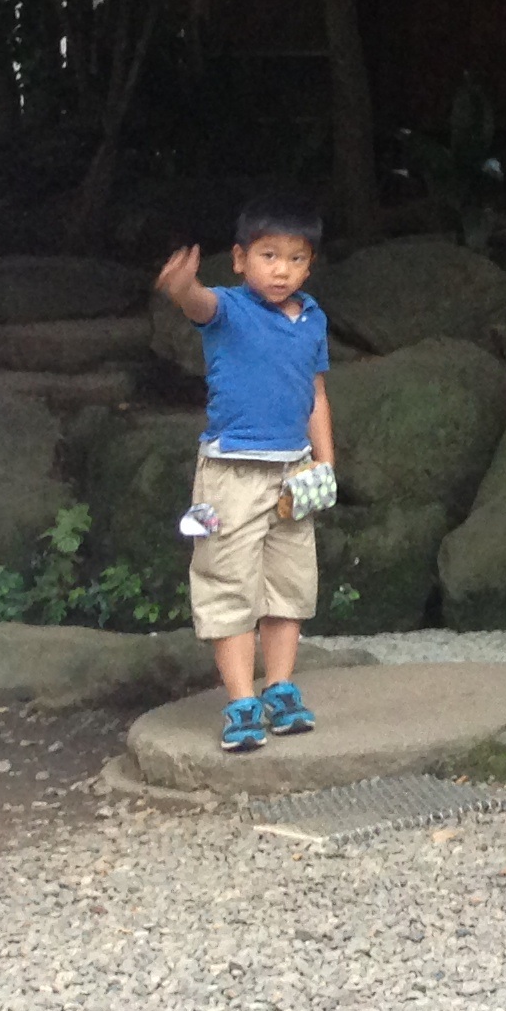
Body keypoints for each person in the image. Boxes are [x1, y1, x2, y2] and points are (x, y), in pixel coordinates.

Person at [156, 200, 337, 753]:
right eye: (268, 255)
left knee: (289, 583)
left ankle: (279, 689)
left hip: (294, 471)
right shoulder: (229, 309)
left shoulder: (312, 317)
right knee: (228, 581)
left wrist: (325, 463)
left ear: (309, 265)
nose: (281, 269)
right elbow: (199, 303)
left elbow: (316, 394)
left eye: (295, 258)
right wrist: (182, 289)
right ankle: (240, 700)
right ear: (239, 259)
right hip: (231, 472)